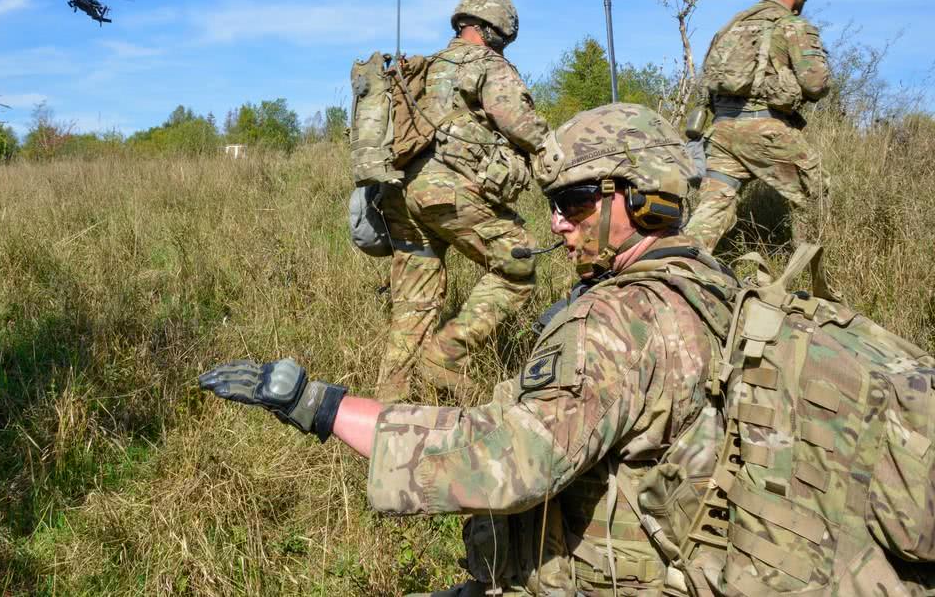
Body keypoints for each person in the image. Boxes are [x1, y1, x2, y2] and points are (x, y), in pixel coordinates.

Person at [202, 103, 741, 595]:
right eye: (554, 203)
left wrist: (320, 405)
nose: (557, 221)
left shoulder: (619, 319)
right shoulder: (718, 287)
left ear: (642, 198)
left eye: (574, 201)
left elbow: (514, 461)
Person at [373, 0, 561, 401]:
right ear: (495, 31)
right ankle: (446, 353)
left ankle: (390, 403)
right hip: (447, 191)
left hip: (399, 195)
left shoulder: (422, 69)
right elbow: (518, 121)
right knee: (518, 265)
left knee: (414, 302)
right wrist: (554, 150)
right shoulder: (486, 64)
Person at [684, 0, 830, 252]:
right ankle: (810, 278)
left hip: (721, 132)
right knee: (817, 197)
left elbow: (707, 83)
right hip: (766, 129)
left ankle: (677, 273)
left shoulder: (732, 26)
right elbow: (816, 85)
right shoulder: (792, 26)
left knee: (710, 215)